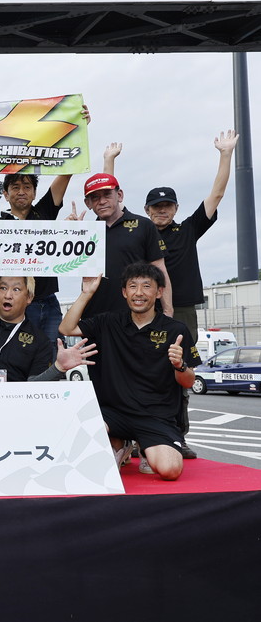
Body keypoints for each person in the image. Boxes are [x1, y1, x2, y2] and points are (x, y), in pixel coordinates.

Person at [104, 131, 238, 460]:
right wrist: (109, 161)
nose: (161, 211)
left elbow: (217, 194)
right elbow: (109, 200)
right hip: (142, 310)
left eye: (167, 206)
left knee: (180, 370)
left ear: (176, 208)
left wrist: (225, 154)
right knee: (136, 370)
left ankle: (177, 435)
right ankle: (134, 437)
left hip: (181, 310)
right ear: (146, 209)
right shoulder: (138, 230)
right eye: (156, 206)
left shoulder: (188, 229)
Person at [60, 263, 200, 480]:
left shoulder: (175, 330)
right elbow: (66, 328)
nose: (139, 293)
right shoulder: (109, 321)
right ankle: (120, 443)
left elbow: (188, 381)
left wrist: (179, 365)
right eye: (133, 286)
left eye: (147, 286)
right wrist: (86, 293)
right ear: (124, 292)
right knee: (77, 445)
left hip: (155, 416)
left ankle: (143, 446)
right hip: (112, 413)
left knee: (170, 470)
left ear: (159, 292)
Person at [0, 104, 90, 342]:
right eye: (15, 187)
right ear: (5, 194)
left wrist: (78, 130)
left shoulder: (44, 212)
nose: (21, 192)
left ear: (34, 192)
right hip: (14, 305)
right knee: (15, 357)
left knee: (51, 355)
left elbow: (67, 171)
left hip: (49, 302)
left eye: (27, 187)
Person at [80, 172, 172, 319]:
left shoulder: (144, 225)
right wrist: (68, 231)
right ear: (88, 203)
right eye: (95, 197)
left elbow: (160, 270)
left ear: (119, 195)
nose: (102, 201)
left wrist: (168, 311)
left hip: (137, 315)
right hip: (94, 318)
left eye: (107, 195)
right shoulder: (84, 231)